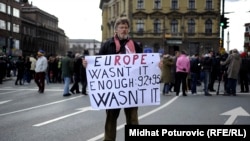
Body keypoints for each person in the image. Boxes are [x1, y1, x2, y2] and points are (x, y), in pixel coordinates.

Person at [82, 17, 142, 141]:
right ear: (116, 29)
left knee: (133, 119)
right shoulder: (107, 45)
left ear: (128, 29)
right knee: (111, 119)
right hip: (113, 90)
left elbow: (144, 63)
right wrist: (88, 64)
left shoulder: (135, 45)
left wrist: (156, 65)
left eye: (126, 27)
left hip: (131, 88)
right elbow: (98, 62)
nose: (124, 30)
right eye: (121, 27)